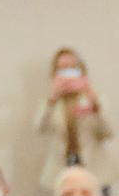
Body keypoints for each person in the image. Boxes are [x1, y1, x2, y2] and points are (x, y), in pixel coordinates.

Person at [36, 47, 112, 185]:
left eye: (72, 67)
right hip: (61, 169)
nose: (68, 73)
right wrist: (51, 100)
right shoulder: (51, 102)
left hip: (94, 169)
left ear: (81, 70)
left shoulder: (95, 98)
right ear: (55, 73)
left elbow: (107, 132)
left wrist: (94, 104)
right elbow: (40, 128)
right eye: (62, 69)